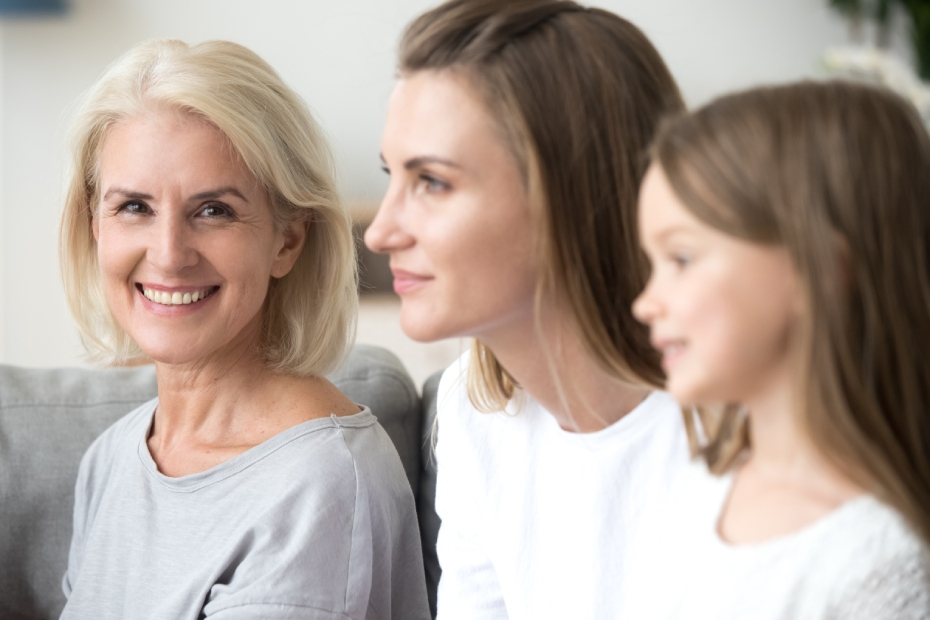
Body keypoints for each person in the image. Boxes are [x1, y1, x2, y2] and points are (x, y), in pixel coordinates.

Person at [59, 39, 430, 619]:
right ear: (94, 225)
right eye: (134, 206)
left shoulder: (318, 487)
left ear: (287, 239)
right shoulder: (112, 458)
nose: (169, 253)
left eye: (215, 211)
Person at [364, 0, 687, 616]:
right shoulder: (474, 411)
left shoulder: (741, 432)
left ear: (569, 191)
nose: (380, 232)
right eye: (392, 176)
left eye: (431, 181)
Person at [627, 81, 930, 618]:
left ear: (818, 273)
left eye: (681, 259)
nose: (645, 303)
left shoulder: (883, 567)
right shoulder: (700, 488)